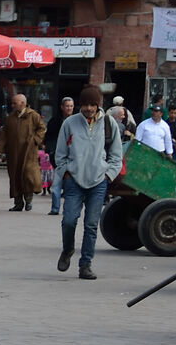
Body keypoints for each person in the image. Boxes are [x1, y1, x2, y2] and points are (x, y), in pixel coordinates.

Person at [52, 85, 125, 279]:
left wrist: (108, 175)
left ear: (98, 105)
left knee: (91, 224)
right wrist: (66, 173)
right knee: (68, 220)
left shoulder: (109, 124)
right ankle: (67, 250)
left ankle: (85, 264)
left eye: (92, 105)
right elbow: (59, 155)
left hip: (99, 182)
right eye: (85, 105)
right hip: (74, 181)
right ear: (80, 105)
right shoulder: (70, 123)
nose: (89, 109)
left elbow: (117, 156)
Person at [4, 92, 45, 211]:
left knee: (28, 176)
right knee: (15, 177)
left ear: (23, 103)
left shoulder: (33, 116)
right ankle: (18, 203)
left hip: (28, 152)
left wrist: (35, 140)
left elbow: (42, 128)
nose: (12, 105)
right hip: (13, 153)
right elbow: (4, 133)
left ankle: (28, 200)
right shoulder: (11, 117)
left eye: (14, 103)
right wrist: (0, 149)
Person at [45, 96, 76, 216]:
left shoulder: (77, 121)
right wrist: (51, 151)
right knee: (56, 183)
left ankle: (68, 209)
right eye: (67, 106)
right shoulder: (55, 121)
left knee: (70, 185)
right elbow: (49, 138)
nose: (69, 108)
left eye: (71, 106)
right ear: (62, 107)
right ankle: (55, 208)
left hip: (73, 157)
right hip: (59, 155)